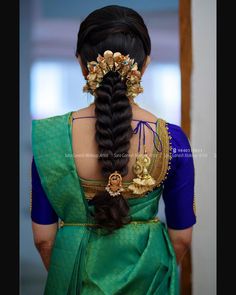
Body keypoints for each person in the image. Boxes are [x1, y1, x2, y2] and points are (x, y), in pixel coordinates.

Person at [31, 5, 196, 295]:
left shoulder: (49, 140)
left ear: (82, 64)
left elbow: (44, 239)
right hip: (149, 280)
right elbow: (181, 238)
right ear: (144, 66)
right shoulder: (172, 139)